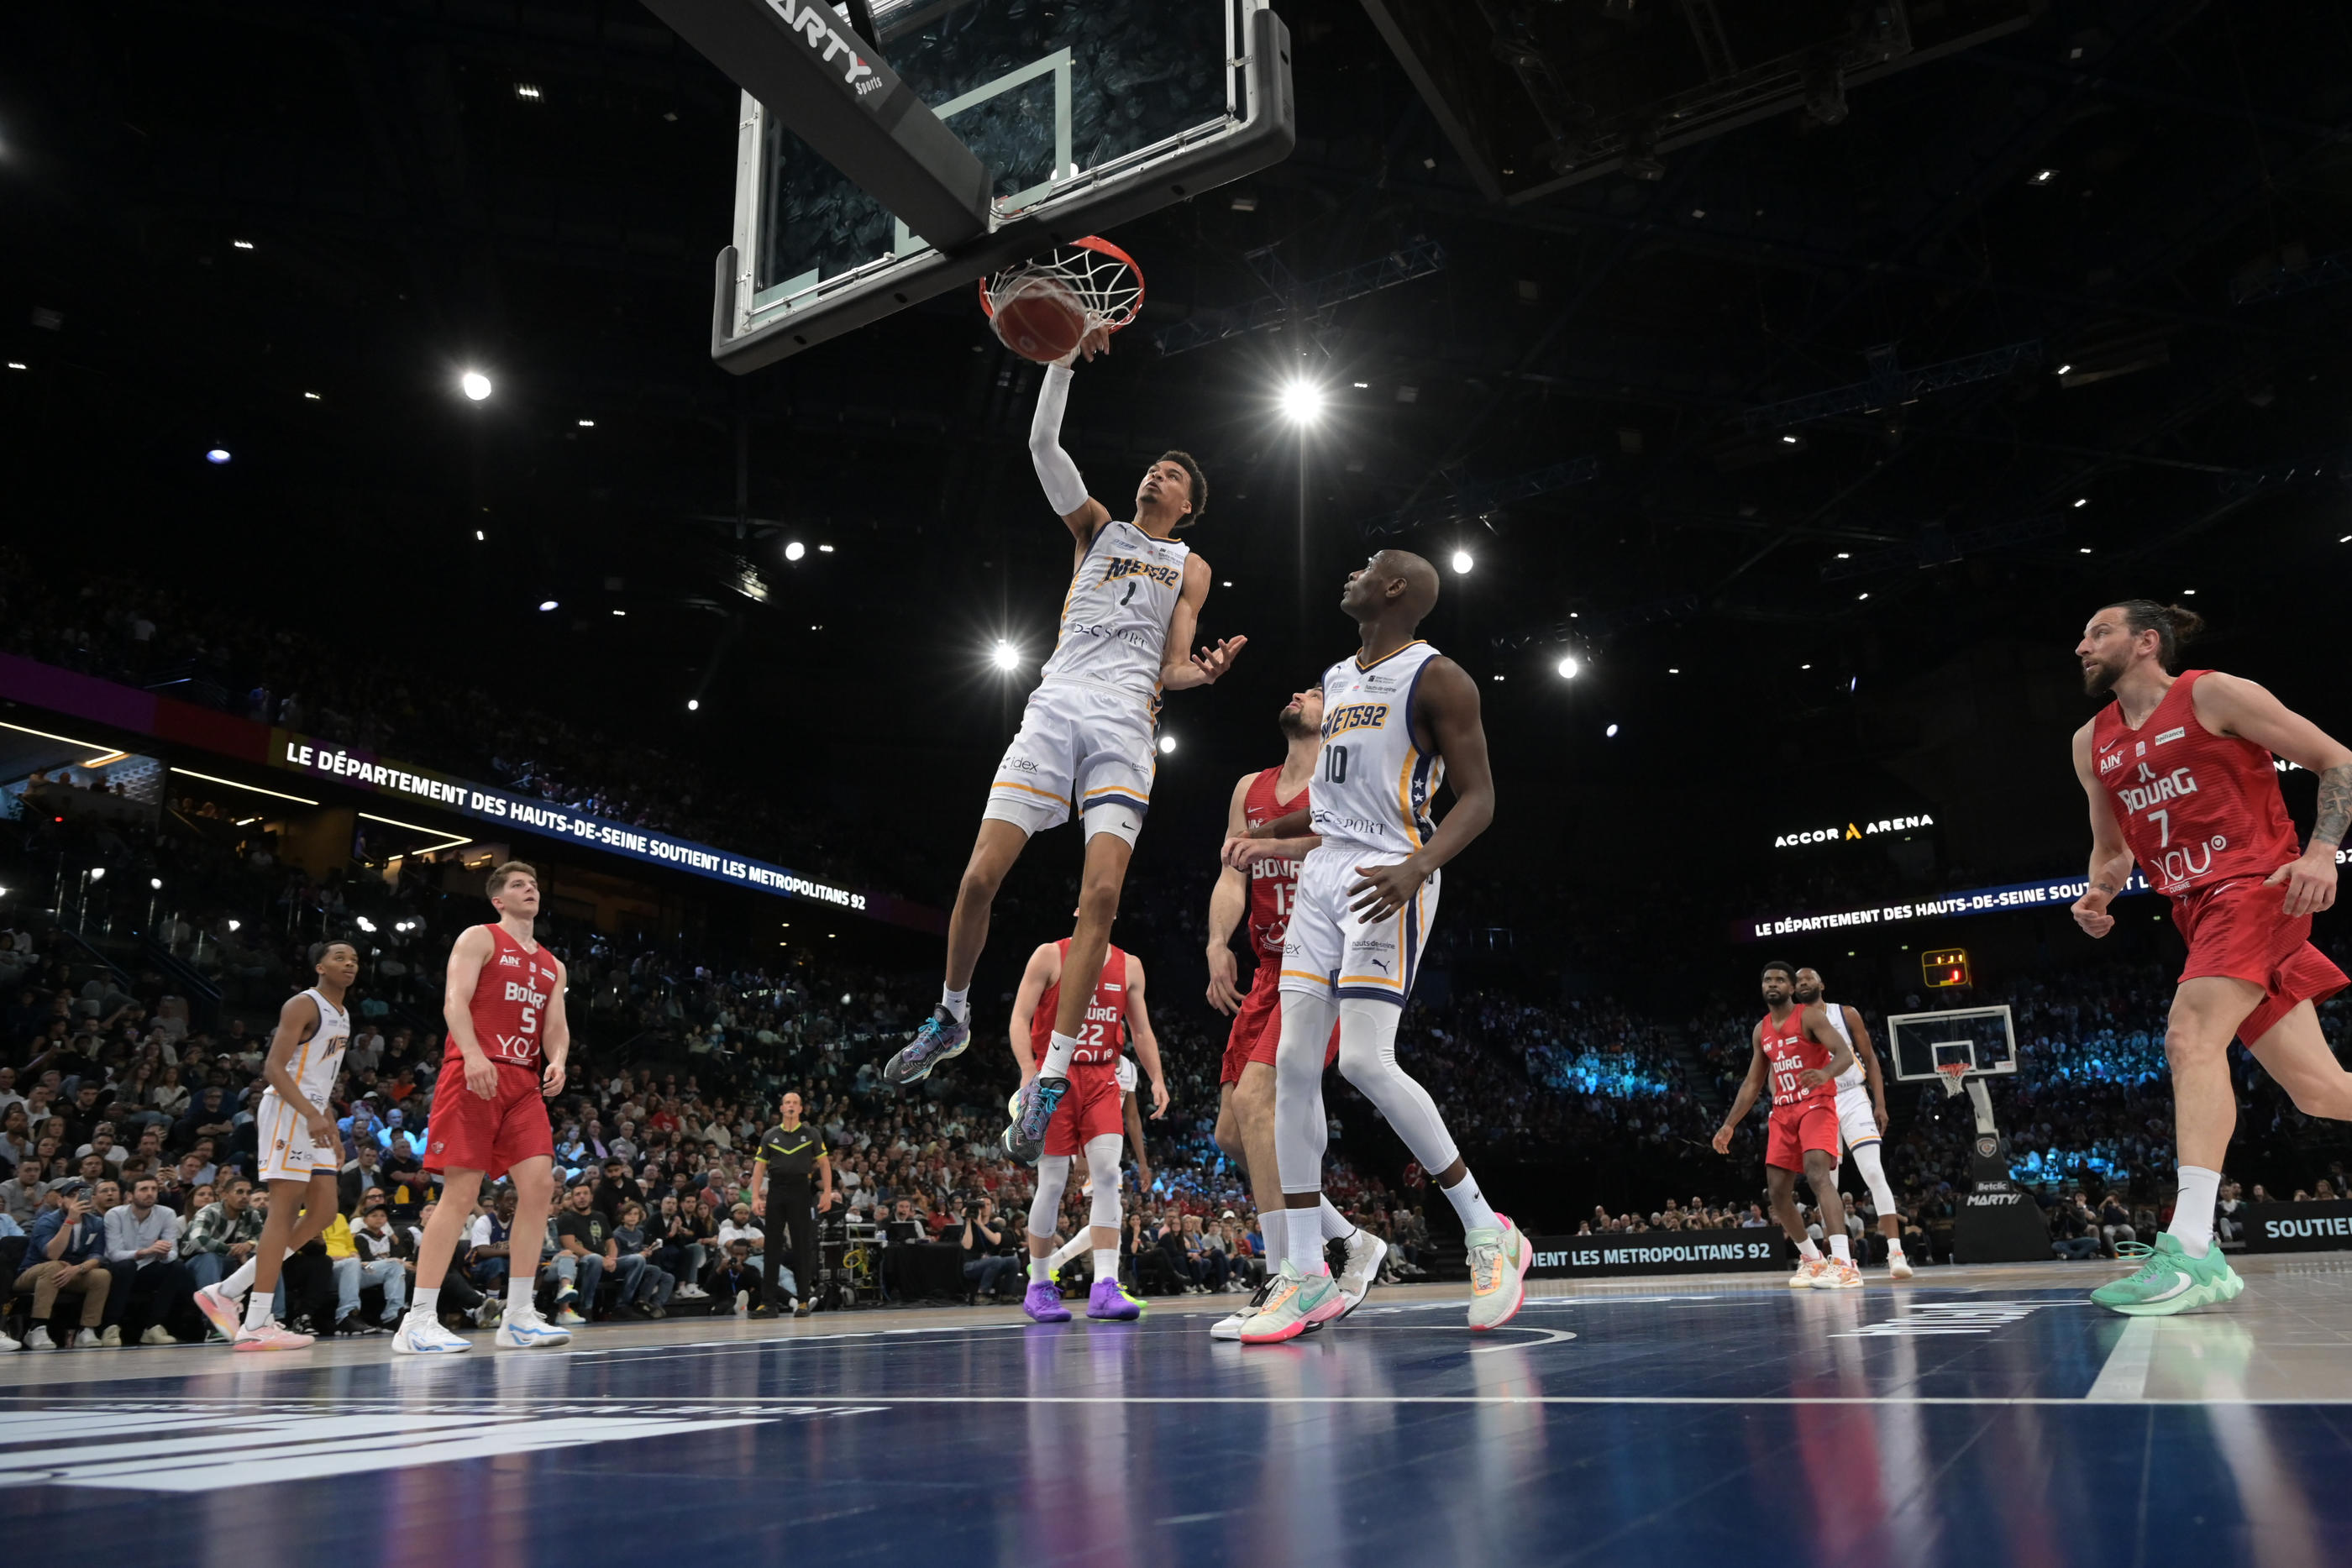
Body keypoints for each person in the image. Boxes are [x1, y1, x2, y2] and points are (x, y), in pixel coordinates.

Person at [882, 334, 1244, 1176]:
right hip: (1053, 706)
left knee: (1102, 899)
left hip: (1123, 719)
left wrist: (1204, 672)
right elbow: (1043, 445)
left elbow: (1171, 663)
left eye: (1173, 473)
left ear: (1190, 503)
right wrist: (1059, 356)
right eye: (1152, 466)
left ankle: (1050, 1076)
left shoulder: (1187, 565)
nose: (1155, 474)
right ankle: (952, 1014)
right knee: (977, 879)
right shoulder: (1095, 527)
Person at [1220, 551, 1514, 1342]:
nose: (1351, 573)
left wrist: (1418, 865)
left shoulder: (1440, 677)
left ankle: (1488, 1230)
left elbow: (1480, 798)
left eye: (1368, 567)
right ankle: (1305, 1275)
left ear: (1395, 590)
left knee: (1364, 1061)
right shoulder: (1338, 676)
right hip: (1324, 872)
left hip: (1391, 872)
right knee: (1289, 1067)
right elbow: (1330, 795)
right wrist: (1270, 833)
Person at [2069, 601, 2351, 1314]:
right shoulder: (2090, 741)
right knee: (2319, 1092)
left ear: (2146, 642)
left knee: (2189, 1035)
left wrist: (2323, 850)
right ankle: (2198, 1256)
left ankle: (2191, 1248)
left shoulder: (2212, 692)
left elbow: (2337, 759)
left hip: (2256, 888)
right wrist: (2100, 892)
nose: (2082, 645)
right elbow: (2113, 849)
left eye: (2098, 632)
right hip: (2196, 911)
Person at [1203, 684, 1378, 1341]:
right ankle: (1352, 1242)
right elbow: (1231, 871)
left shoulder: (1345, 775)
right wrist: (1218, 942)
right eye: (1300, 689)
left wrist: (1273, 849)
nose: (1301, 693)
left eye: (1316, 691)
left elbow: (1341, 850)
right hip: (1267, 969)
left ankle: (1292, 1276)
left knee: (1259, 1101)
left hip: (1323, 963)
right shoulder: (1250, 786)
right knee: (1232, 1132)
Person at [393, 861, 575, 1352]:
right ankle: (417, 1321)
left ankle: (518, 1315)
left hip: (523, 1081)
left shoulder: (553, 964)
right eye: (518, 885)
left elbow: (554, 1024)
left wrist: (556, 1059)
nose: (530, 890)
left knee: (538, 1187)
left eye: (534, 884)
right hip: (475, 1071)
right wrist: (471, 1053)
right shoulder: (480, 937)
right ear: (498, 899)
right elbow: (455, 1001)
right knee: (460, 1193)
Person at [192, 941, 359, 1350]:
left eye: (354, 959)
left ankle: (227, 1290)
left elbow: (321, 1080)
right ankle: (256, 1321)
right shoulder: (303, 1004)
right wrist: (311, 1114)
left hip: (313, 1113)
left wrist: (331, 1127)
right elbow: (272, 1068)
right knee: (282, 1213)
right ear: (319, 965)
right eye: (340, 957)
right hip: (288, 1109)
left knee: (323, 1212)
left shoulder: (344, 1014)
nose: (350, 963)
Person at [1011, 933, 1166, 1324]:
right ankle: (1039, 1285)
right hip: (1054, 1076)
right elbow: (1019, 1017)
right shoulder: (1049, 955)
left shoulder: (1129, 964)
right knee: (1052, 1181)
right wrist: (1029, 1069)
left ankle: (1105, 1287)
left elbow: (1142, 1030)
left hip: (1102, 1077)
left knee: (1108, 1175)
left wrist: (1157, 1077)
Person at [1712, 962, 1863, 1290]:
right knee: (1778, 1193)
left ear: (1792, 988)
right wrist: (1728, 1125)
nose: (1773, 984)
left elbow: (1844, 1055)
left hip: (1816, 1104)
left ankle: (1844, 1262)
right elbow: (1752, 1084)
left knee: (1817, 1174)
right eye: (1768, 979)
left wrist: (1825, 1073)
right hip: (1782, 1111)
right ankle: (1812, 1260)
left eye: (1781, 979)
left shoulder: (1809, 1016)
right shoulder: (1760, 1029)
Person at [1791, 968, 1910, 1279]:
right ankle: (1839, 1259)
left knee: (1872, 1170)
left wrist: (1880, 1102)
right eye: (1799, 981)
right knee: (1829, 1184)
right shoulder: (1791, 1023)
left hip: (1852, 1095)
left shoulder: (1845, 1014)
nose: (1803, 983)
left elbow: (1870, 1059)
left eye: (1809, 978)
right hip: (1819, 1102)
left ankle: (1896, 1252)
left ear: (1821, 984)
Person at [750, 1091, 833, 1319]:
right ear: (781, 1107)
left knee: (801, 1247)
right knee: (772, 1248)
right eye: (787, 1102)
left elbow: (824, 1165)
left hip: (801, 1191)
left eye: (795, 1103)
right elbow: (759, 1168)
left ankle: (804, 1301)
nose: (791, 1106)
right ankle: (768, 1304)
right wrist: (756, 1197)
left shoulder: (811, 1134)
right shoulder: (769, 1135)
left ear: (800, 1109)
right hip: (776, 1190)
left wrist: (827, 1193)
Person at [102, 1174, 198, 1345]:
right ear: (130, 1195)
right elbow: (114, 1254)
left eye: (154, 1189)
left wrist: (163, 1253)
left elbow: (173, 1252)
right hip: (117, 1270)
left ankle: (153, 1327)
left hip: (147, 1268)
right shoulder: (114, 1214)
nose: (150, 1193)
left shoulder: (167, 1213)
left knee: (176, 1267)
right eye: (144, 1189)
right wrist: (146, 1251)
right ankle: (110, 1327)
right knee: (127, 1266)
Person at [20, 1179, 113, 1347]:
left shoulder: (96, 1223)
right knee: (54, 1267)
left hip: (71, 1274)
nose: (78, 1199)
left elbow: (97, 1255)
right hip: (33, 1272)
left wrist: (78, 1269)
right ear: (60, 1201)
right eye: (72, 1196)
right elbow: (52, 1254)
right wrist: (70, 1220)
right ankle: (37, 1328)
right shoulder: (47, 1220)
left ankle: (86, 1330)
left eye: (83, 1195)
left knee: (101, 1275)